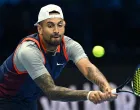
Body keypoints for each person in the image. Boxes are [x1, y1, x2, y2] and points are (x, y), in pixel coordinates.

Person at [0, 4, 117, 110]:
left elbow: (88, 68)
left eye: (60, 25)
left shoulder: (70, 45)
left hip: (29, 101)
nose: (56, 30)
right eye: (50, 26)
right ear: (40, 29)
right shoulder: (28, 51)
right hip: (4, 99)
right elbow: (51, 91)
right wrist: (88, 94)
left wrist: (105, 86)